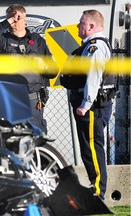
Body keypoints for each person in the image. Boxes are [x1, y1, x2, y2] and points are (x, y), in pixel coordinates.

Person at [61, 10, 116, 200]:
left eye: (81, 23)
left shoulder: (95, 47)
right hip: (90, 106)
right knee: (88, 148)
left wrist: (85, 104)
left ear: (91, 26)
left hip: (92, 107)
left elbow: (94, 77)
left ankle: (98, 192)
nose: (78, 26)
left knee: (93, 147)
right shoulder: (88, 46)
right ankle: (95, 187)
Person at [0, 4, 56, 134]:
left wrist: (44, 67)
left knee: (35, 136)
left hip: (33, 100)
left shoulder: (37, 41)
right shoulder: (2, 40)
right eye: (10, 19)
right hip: (9, 99)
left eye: (17, 18)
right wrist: (9, 20)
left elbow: (53, 72)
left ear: (25, 19)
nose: (14, 22)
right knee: (9, 135)